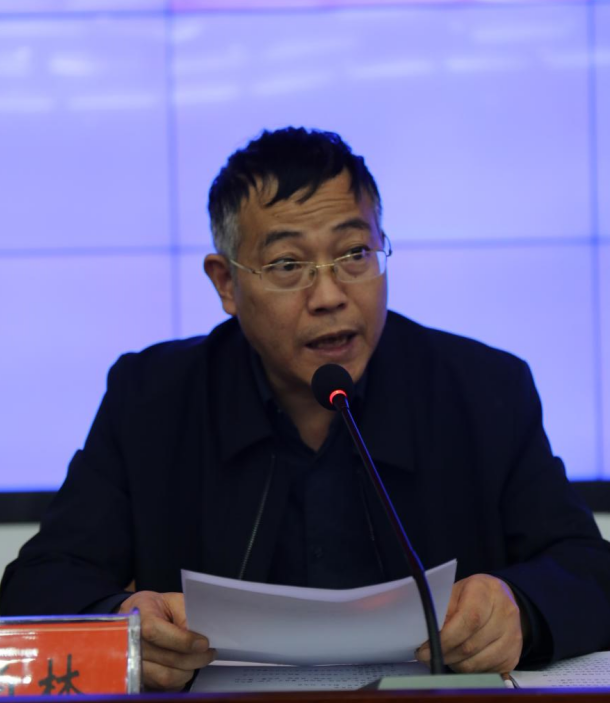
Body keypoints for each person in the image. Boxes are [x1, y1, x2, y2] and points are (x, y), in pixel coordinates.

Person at [2, 127, 610, 691]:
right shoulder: (152, 398)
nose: (330, 295)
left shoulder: (481, 389)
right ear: (226, 283)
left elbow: (589, 569)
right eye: (288, 265)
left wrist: (521, 609)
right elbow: (40, 583)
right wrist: (122, 620)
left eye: (354, 254)